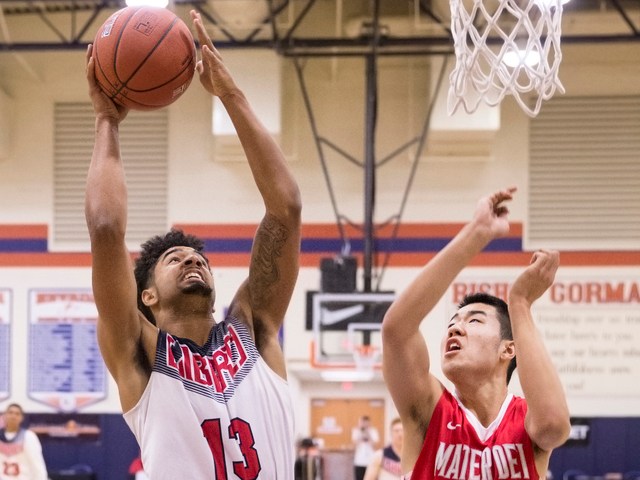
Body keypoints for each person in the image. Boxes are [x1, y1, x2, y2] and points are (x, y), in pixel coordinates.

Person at [84, 9, 301, 480]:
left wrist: (231, 94)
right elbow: (105, 229)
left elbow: (285, 210)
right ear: (147, 295)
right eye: (173, 258)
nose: (192, 260)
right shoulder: (138, 351)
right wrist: (107, 121)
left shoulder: (255, 329)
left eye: (198, 257)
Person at [381, 187, 571, 479]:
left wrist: (520, 302)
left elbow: (554, 425)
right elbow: (396, 331)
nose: (456, 327)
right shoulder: (430, 409)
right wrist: (477, 233)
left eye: (474, 321)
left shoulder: (526, 422)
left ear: (508, 348)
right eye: (453, 323)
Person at [0, 403, 48, 480]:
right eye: (10, 412)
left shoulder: (29, 437)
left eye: (17, 414)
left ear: (22, 418)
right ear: (4, 415)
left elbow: (37, 465)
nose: (13, 416)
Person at [352, 415, 380, 480]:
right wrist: (361, 433)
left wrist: (368, 433)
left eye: (366, 422)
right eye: (363, 422)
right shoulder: (356, 431)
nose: (364, 424)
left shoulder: (373, 431)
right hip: (359, 462)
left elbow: (376, 446)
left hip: (371, 461)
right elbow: (354, 444)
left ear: (369, 423)